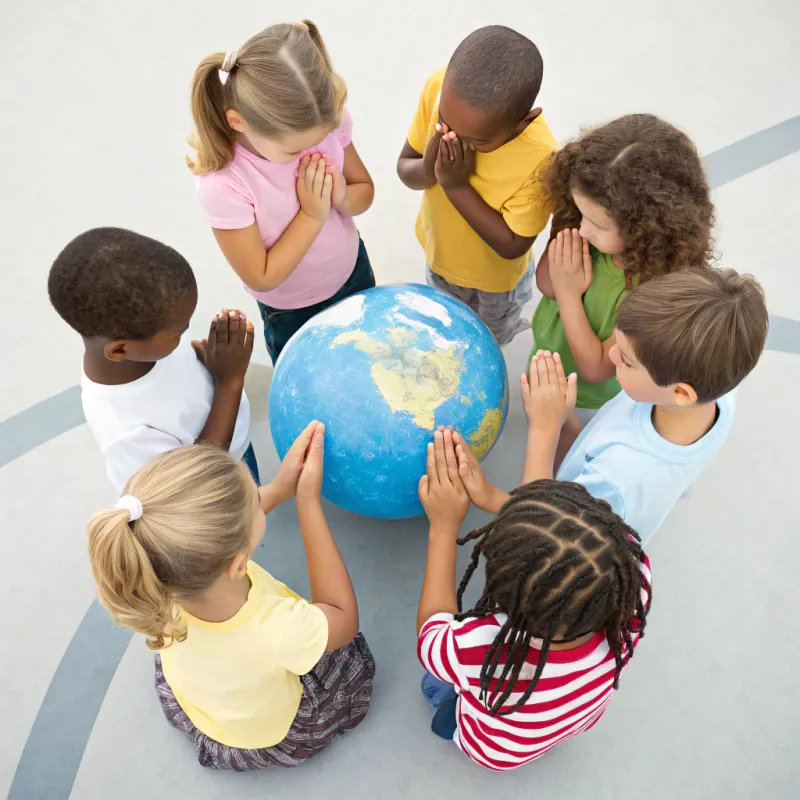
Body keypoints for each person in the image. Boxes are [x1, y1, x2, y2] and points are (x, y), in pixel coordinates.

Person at [87, 423, 374, 769]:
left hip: (205, 708)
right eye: (256, 499)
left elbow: (223, 530)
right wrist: (307, 503)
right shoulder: (279, 628)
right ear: (238, 564)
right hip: (272, 735)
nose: (260, 494)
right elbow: (342, 616)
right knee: (347, 658)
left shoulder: (154, 579)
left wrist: (280, 489)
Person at [459, 268, 769, 544]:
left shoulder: (618, 479)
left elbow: (547, 527)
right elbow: (592, 456)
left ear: (682, 393)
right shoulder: (717, 388)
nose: (612, 357)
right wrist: (566, 421)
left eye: (627, 361)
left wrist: (493, 491)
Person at [415, 429, 651, 771]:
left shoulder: (481, 648)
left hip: (494, 750)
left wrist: (443, 526)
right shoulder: (632, 577)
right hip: (569, 718)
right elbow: (572, 539)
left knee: (434, 682)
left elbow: (431, 636)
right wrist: (499, 500)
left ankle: (452, 723)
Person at [188, 20, 376, 363]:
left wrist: (341, 198)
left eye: (321, 139)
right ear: (238, 122)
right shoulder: (225, 185)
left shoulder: (324, 120)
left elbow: (363, 189)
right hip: (293, 312)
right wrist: (311, 215)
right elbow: (261, 277)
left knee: (369, 365)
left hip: (354, 273)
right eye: (293, 151)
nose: (311, 150)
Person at [47, 227, 257, 492]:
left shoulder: (139, 343)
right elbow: (197, 483)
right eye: (179, 331)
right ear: (119, 351)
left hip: (233, 444)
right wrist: (229, 382)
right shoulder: (128, 432)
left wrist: (211, 366)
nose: (185, 333)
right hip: (215, 489)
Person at [531, 114, 715, 415]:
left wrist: (568, 293)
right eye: (580, 213)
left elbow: (597, 368)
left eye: (598, 226)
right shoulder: (582, 221)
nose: (583, 230)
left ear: (647, 228)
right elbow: (545, 283)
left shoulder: (654, 285)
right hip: (550, 353)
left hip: (589, 397)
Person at [397, 26, 557, 345]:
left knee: (486, 344)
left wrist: (456, 186)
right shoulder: (439, 88)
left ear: (524, 121)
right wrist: (431, 165)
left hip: (494, 286)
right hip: (439, 259)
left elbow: (513, 245)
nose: (453, 138)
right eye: (445, 121)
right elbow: (406, 169)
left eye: (477, 140)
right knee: (446, 334)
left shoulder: (542, 159)